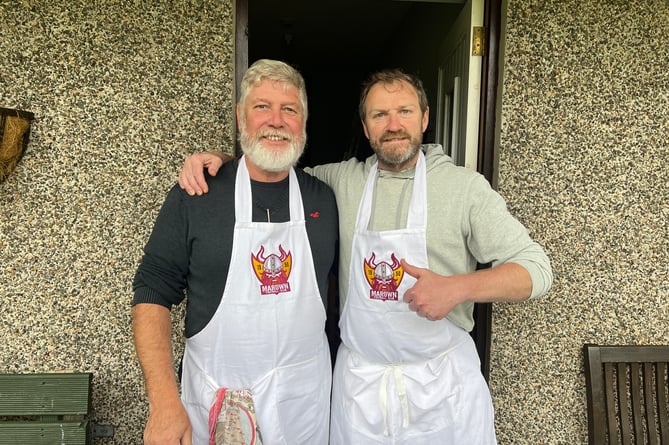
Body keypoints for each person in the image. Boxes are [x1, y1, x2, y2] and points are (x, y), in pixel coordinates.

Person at [178, 68, 553, 444]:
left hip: (443, 388)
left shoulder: (464, 188)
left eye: (404, 112)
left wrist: (457, 288)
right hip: (360, 391)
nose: (393, 125)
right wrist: (222, 163)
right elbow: (271, 164)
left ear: (424, 118)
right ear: (365, 126)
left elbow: (535, 270)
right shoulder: (339, 181)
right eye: (379, 115)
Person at [132, 59, 338, 445]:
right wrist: (163, 403)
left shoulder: (325, 198)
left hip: (302, 406)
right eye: (261, 107)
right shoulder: (197, 195)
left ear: (304, 124)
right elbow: (152, 291)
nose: (275, 120)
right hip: (218, 402)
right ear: (241, 120)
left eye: (289, 110)